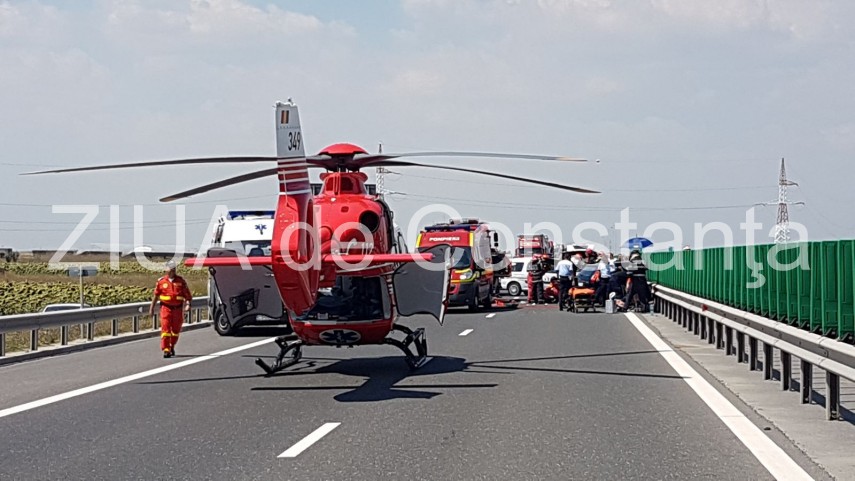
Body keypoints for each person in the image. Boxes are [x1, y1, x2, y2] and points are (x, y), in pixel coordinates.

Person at [149, 260, 192, 358]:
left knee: (175, 330)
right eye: (170, 268)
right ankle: (166, 349)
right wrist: (151, 308)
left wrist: (188, 304)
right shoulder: (161, 281)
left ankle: (172, 345)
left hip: (177, 309)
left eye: (174, 269)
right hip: (165, 308)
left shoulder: (181, 281)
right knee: (165, 329)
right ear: (166, 269)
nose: (172, 270)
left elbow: (187, 295)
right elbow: (156, 296)